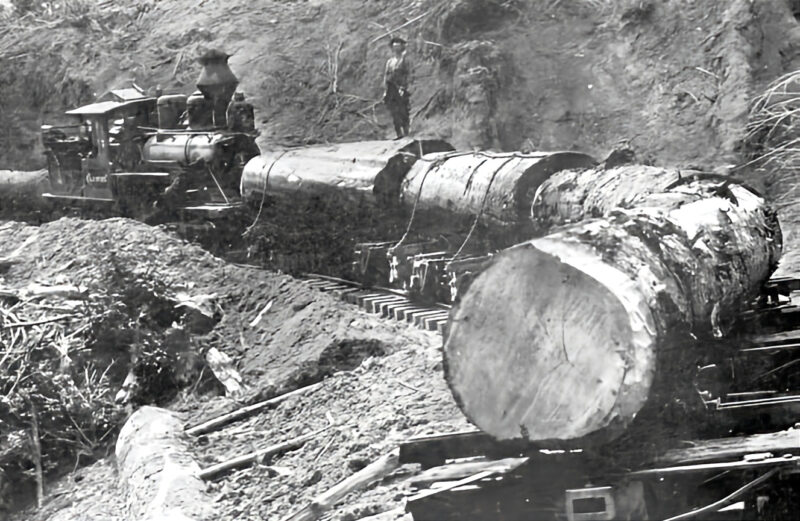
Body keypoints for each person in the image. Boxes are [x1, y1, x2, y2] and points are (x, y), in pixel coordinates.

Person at [383, 35, 411, 139]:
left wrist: (404, 87)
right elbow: (386, 76)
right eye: (394, 47)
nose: (396, 49)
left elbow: (408, 75)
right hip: (391, 89)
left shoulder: (404, 60)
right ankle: (398, 133)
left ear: (401, 48)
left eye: (398, 46)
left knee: (403, 110)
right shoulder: (389, 62)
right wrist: (385, 91)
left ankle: (406, 132)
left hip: (401, 87)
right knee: (394, 111)